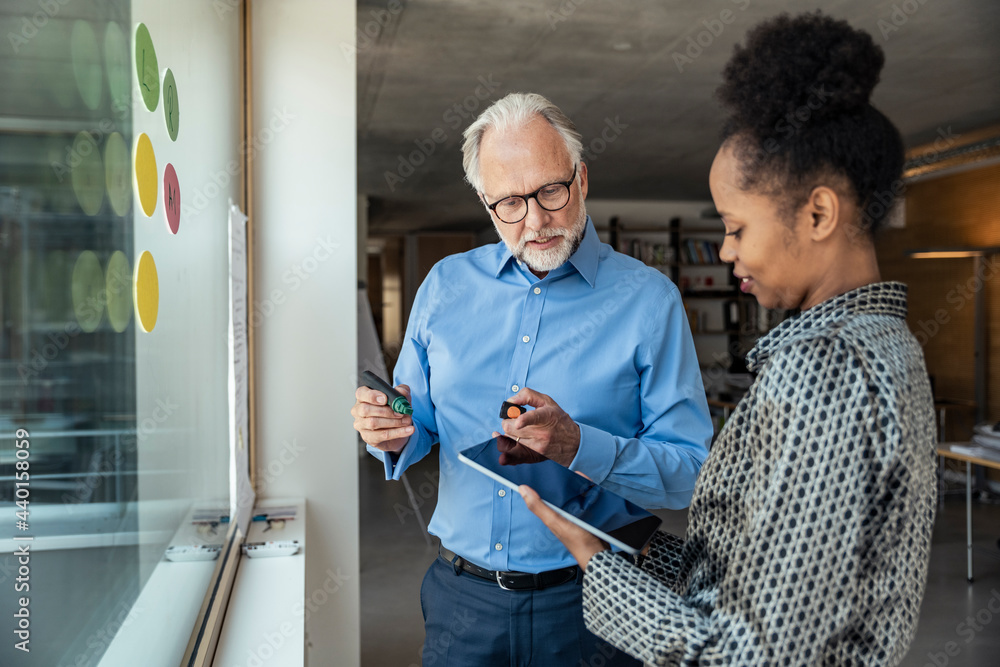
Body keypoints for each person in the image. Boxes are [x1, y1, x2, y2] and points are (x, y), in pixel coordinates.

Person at [521, 12, 937, 666]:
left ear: (819, 213)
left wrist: (593, 558)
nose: (726, 249)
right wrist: (628, 533)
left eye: (738, 226)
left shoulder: (824, 369)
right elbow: (754, 573)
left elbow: (748, 653)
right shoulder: (891, 346)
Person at [352, 92, 713, 666]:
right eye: (510, 204)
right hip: (459, 601)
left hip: (597, 603)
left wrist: (578, 446)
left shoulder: (650, 302)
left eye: (551, 191)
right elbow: (417, 420)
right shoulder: (444, 287)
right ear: (485, 202)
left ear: (582, 179)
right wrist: (391, 430)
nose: (537, 221)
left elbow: (691, 474)